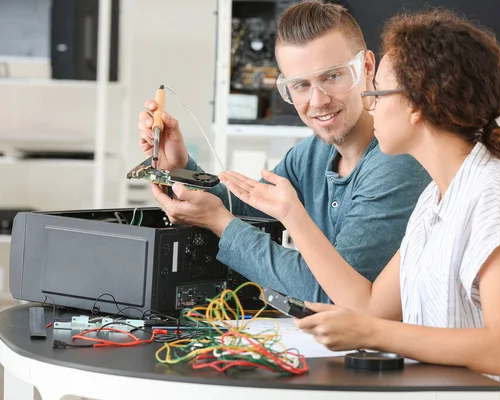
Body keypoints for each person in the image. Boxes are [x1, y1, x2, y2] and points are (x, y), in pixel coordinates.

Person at [219, 9, 500, 400]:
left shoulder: (495, 194)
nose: (368, 104)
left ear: (417, 105)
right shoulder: (433, 201)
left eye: (377, 92)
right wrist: (291, 215)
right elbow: (368, 306)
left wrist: (371, 334)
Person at [137, 1, 430, 302]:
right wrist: (181, 166)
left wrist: (219, 223)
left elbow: (334, 293)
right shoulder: (311, 154)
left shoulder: (397, 163)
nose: (318, 101)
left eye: (332, 76)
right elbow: (246, 208)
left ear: (367, 67)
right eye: (301, 85)